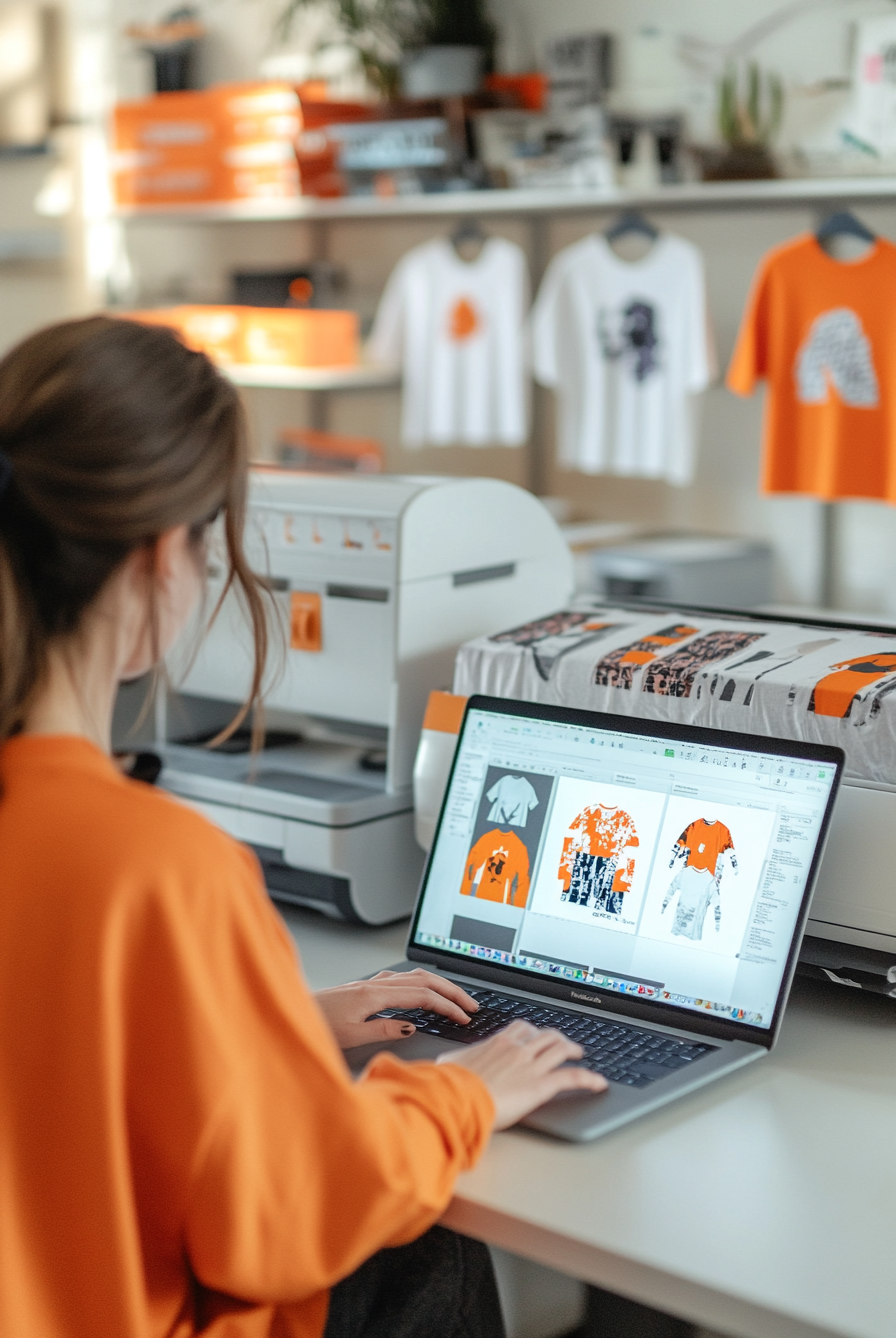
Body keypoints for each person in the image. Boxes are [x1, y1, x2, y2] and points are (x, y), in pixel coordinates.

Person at [0, 316, 606, 1338]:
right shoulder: (159, 865)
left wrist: (260, 1029)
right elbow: (279, 1218)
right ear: (162, 559)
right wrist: (460, 1094)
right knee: (431, 1232)